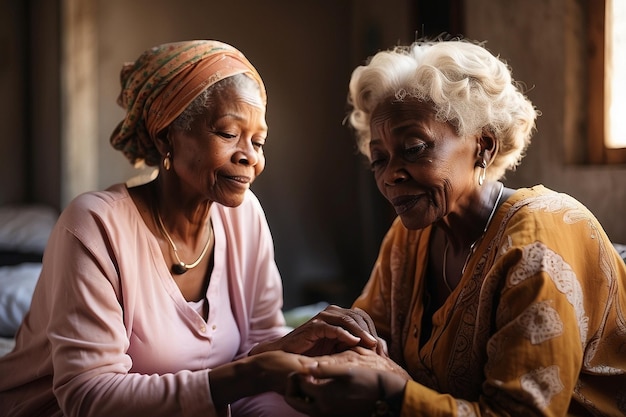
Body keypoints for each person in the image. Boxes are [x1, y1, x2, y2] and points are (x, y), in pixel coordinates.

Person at [0, 40, 379, 417]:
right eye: (229, 134)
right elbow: (89, 398)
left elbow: (259, 345)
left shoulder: (244, 216)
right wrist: (249, 374)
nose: (250, 156)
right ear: (166, 137)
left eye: (259, 141)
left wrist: (293, 354)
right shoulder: (94, 226)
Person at [284, 38, 626, 416]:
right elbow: (371, 338)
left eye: (414, 148)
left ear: (484, 146)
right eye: (379, 159)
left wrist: (394, 391)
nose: (391, 176)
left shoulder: (538, 242)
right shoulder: (408, 237)